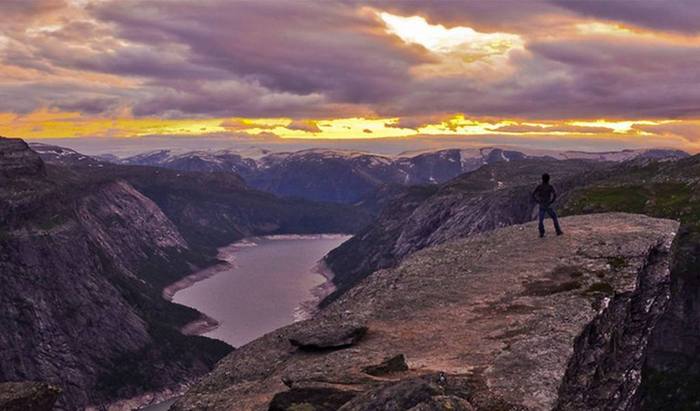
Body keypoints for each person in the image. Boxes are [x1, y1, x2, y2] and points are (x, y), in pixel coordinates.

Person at [532, 173, 563, 238]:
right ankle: (558, 231)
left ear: (542, 179)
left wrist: (538, 201)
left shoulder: (539, 187)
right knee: (554, 217)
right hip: (548, 205)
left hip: (542, 205)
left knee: (541, 220)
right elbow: (554, 195)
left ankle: (541, 233)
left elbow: (533, 194)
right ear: (548, 179)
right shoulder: (550, 186)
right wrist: (551, 201)